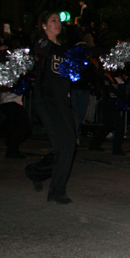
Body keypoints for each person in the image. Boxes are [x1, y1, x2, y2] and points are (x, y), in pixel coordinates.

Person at [24, 12, 79, 205]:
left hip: (62, 101)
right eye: (53, 20)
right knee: (66, 144)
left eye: (59, 21)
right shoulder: (40, 43)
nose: (57, 23)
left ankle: (35, 172)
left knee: (67, 145)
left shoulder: (63, 49)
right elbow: (46, 51)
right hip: (46, 99)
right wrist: (79, 52)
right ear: (44, 25)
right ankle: (56, 192)